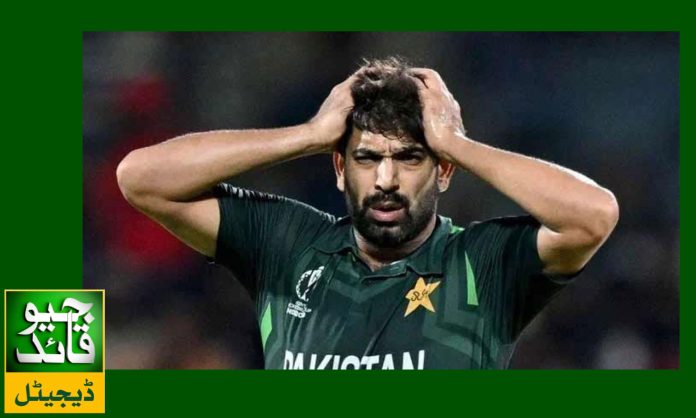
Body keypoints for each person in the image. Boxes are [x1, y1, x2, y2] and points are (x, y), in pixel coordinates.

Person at [116, 57, 619, 369]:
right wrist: (309, 135)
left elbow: (593, 214)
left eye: (410, 158)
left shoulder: (482, 264)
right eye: (366, 158)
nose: (385, 180)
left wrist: (455, 142)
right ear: (340, 168)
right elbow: (141, 178)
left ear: (444, 171)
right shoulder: (289, 245)